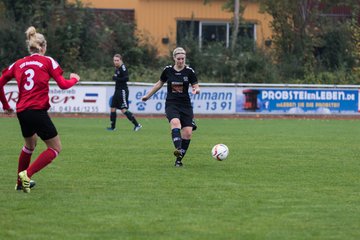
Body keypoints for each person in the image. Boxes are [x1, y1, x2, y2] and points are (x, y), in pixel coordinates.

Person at [0, 26, 80, 193]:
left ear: (30, 47)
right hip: (37, 110)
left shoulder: (18, 63)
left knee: (30, 145)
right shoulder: (48, 61)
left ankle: (19, 183)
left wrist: (6, 105)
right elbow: (63, 85)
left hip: (22, 111)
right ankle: (26, 175)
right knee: (55, 148)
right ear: (43, 47)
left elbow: (0, 82)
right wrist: (74, 79)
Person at [141, 47, 200, 167]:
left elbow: (196, 86)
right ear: (174, 58)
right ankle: (178, 148)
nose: (181, 61)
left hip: (185, 105)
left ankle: (178, 160)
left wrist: (196, 90)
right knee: (175, 123)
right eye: (178, 59)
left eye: (183, 58)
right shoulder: (168, 70)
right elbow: (159, 84)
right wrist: (148, 96)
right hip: (171, 104)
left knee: (188, 133)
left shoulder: (189, 72)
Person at [107, 54, 142, 131]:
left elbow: (126, 78)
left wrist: (116, 78)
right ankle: (113, 127)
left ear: (121, 60)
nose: (116, 62)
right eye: (114, 60)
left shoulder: (123, 68)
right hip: (117, 90)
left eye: (117, 60)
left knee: (123, 109)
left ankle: (137, 125)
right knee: (113, 108)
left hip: (122, 91)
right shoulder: (117, 68)